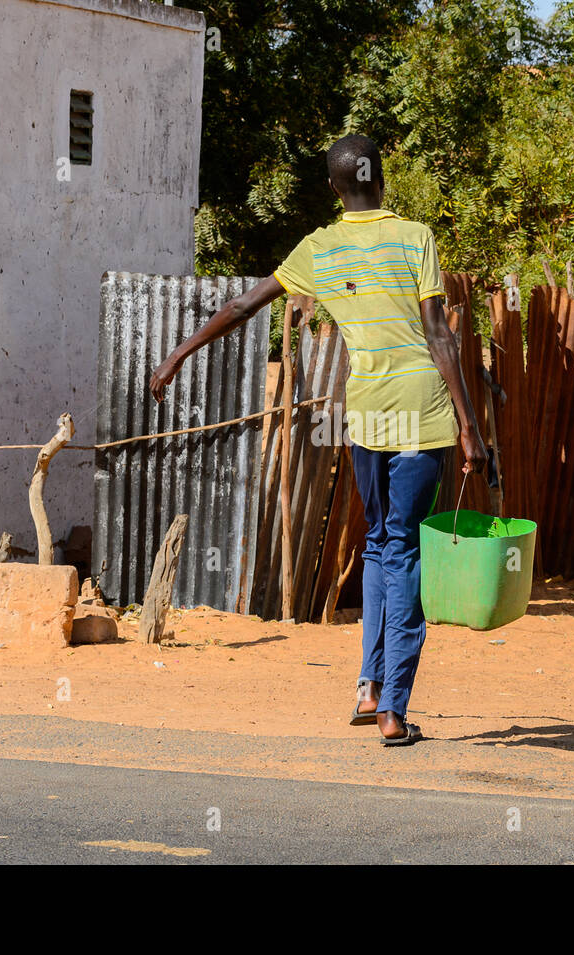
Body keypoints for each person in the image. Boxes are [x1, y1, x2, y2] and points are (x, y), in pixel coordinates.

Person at [149, 133, 486, 746]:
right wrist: (469, 426)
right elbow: (440, 337)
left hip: (368, 418)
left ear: (334, 188)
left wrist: (177, 354)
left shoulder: (318, 249)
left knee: (381, 545)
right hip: (422, 414)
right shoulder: (416, 238)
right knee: (403, 549)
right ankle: (392, 709)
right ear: (381, 178)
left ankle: (367, 687)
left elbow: (243, 305)